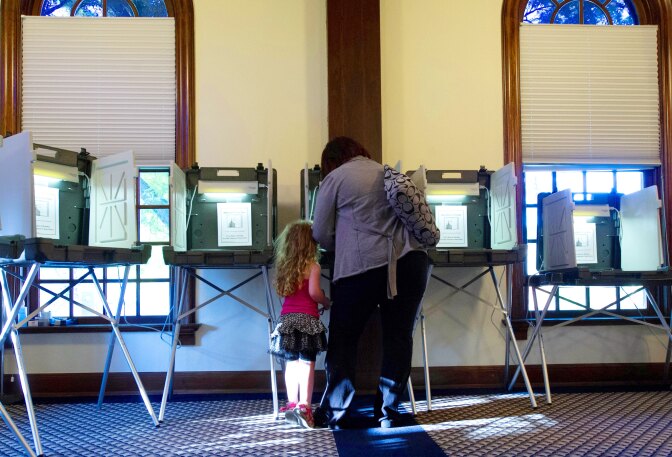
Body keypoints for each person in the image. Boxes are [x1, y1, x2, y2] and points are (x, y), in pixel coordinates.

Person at [312, 136, 430, 429]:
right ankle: (388, 414)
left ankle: (337, 413)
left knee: (344, 339)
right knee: (398, 338)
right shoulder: (390, 173)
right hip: (410, 264)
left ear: (331, 161)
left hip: (361, 269)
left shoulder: (336, 178)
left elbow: (321, 232)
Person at [270, 220, 331, 429]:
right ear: (310, 243)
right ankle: (304, 407)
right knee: (307, 363)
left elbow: (283, 292)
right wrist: (325, 301)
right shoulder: (313, 266)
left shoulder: (284, 266)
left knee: (291, 364)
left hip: (287, 321)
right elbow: (314, 293)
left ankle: (291, 403)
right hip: (307, 321)